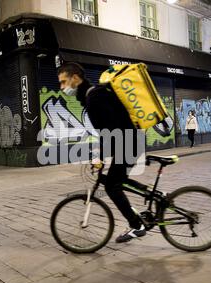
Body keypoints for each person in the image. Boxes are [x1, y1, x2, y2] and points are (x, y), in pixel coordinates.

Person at [57, 62, 146, 243]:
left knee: (112, 186)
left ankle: (137, 226)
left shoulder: (94, 97)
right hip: (129, 142)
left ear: (75, 78)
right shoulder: (93, 96)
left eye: (64, 82)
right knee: (116, 180)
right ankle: (150, 194)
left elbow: (112, 129)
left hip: (129, 143)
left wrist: (100, 156)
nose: (62, 87)